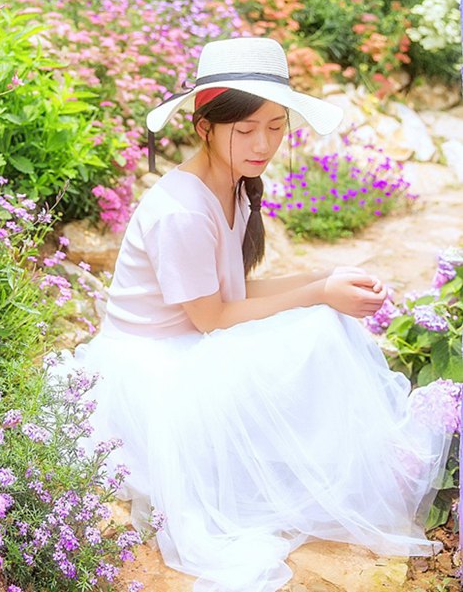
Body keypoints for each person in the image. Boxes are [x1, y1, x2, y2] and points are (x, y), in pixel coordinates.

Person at [60, 36, 452, 592]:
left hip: (195, 342)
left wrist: (326, 280)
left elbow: (236, 287)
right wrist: (319, 295)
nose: (262, 142)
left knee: (321, 319)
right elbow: (213, 318)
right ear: (205, 128)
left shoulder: (234, 187)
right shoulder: (180, 209)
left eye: (275, 126)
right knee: (315, 326)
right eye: (245, 130)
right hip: (156, 369)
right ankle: (344, 466)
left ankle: (351, 462)